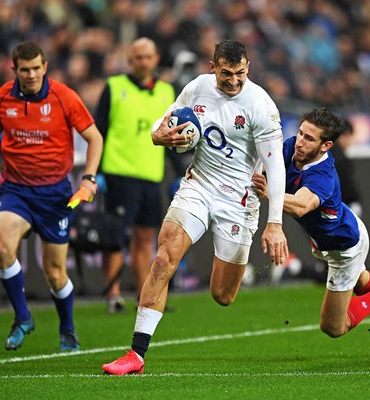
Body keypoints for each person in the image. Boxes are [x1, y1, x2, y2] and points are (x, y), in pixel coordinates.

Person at [102, 39, 289, 375]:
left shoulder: (260, 104)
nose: (233, 81)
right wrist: (162, 138)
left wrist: (274, 223)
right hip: (199, 185)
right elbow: (162, 125)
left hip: (239, 201)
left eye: (241, 74)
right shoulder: (198, 88)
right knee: (164, 257)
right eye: (227, 73)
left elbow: (276, 167)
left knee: (223, 294)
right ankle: (136, 355)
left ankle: (228, 278)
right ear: (212, 66)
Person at [0, 41, 103, 352]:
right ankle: (23, 318)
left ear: (45, 67)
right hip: (17, 190)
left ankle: (67, 330)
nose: (32, 74)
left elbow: (94, 137)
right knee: (1, 247)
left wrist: (89, 179)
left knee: (54, 273)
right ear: (15, 71)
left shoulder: (64, 97)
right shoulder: (1, 98)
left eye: (37, 68)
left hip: (55, 194)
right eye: (25, 70)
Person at [251, 107, 370, 357]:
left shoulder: (324, 176)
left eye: (309, 138)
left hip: (343, 247)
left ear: (326, 145)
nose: (300, 142)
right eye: (301, 133)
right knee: (359, 279)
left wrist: (269, 193)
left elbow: (302, 206)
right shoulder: (291, 147)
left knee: (333, 327)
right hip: (334, 235)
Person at [95, 37, 184, 313]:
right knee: (116, 237)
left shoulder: (168, 92)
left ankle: (146, 297)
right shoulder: (114, 87)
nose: (142, 62)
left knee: (146, 237)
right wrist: (95, 173)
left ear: (156, 59)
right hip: (119, 174)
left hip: (151, 176)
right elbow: (98, 131)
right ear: (130, 61)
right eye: (137, 58)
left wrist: (181, 173)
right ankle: (114, 294)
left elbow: (173, 137)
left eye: (147, 57)